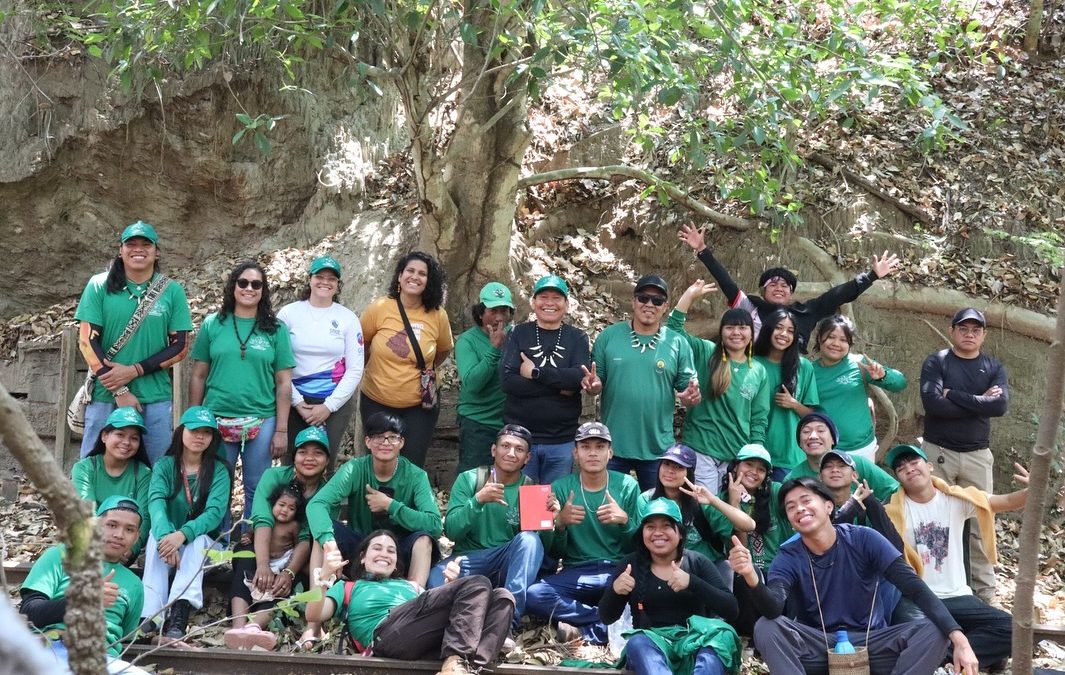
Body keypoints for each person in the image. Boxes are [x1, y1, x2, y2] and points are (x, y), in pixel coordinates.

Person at [730, 476, 980, 675]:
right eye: (791, 507)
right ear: (791, 522)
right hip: (818, 645)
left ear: (828, 506)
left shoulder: (863, 538)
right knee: (767, 627)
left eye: (806, 500)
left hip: (873, 643)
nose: (800, 509)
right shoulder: (788, 555)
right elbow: (774, 608)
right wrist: (751, 576)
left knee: (935, 630)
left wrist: (959, 639)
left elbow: (913, 586)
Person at [884, 444, 1027, 670]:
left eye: (914, 462)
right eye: (901, 468)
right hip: (918, 599)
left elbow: (1006, 502)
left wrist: (1032, 490)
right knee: (914, 633)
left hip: (957, 596)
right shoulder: (891, 513)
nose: (908, 468)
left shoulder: (955, 500)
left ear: (930, 466)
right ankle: (952, 659)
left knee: (1013, 630)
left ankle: (947, 662)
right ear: (898, 478)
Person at [306, 530, 514, 675]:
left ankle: (467, 668)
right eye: (377, 548)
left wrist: (453, 586)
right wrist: (323, 579)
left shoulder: (411, 586)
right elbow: (314, 615)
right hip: (386, 635)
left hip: (423, 641)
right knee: (477, 583)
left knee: (502, 597)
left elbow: (441, 618)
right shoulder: (349, 587)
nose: (384, 554)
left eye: (391, 551)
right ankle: (454, 665)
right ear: (362, 557)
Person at [75, 220, 192, 464]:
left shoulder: (172, 291)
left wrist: (134, 371)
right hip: (106, 395)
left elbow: (180, 346)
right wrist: (119, 388)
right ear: (121, 250)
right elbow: (87, 341)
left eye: (145, 244)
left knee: (158, 469)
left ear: (156, 251)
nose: (138, 249)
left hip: (155, 396)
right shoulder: (99, 285)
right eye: (131, 244)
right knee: (93, 465)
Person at [677, 223, 900, 351]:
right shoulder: (751, 307)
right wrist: (702, 250)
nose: (779, 287)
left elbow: (837, 295)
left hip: (793, 374)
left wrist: (871, 276)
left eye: (785, 285)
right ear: (762, 291)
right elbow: (726, 283)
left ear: (791, 293)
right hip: (755, 370)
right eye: (772, 284)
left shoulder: (804, 312)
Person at [188, 261, 294, 522]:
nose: (249, 288)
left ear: (263, 290)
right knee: (216, 486)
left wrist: (281, 430)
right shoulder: (213, 324)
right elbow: (199, 374)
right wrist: (194, 418)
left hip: (262, 417)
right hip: (217, 416)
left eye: (256, 284)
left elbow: (283, 382)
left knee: (257, 486)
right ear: (233, 287)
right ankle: (219, 546)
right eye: (243, 283)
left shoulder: (276, 329)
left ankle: (250, 544)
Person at [920, 307, 1008, 604]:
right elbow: (933, 405)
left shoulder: (993, 367)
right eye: (963, 328)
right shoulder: (937, 361)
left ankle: (985, 592)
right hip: (938, 452)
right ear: (952, 330)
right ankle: (935, 589)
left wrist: (954, 395)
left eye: (976, 330)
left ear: (984, 335)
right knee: (935, 521)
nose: (969, 334)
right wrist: (980, 401)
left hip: (977, 455)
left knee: (981, 521)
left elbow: (999, 407)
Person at [526, 421, 642, 644]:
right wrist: (560, 524)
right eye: (586, 447)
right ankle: (604, 621)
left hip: (617, 570)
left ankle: (587, 632)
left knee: (649, 595)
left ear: (610, 453)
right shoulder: (560, 487)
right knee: (535, 595)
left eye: (599, 447)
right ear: (575, 453)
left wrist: (625, 521)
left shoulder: (627, 485)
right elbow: (552, 552)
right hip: (577, 572)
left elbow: (639, 546)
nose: (592, 453)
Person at [599, 498, 741, 675]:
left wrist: (692, 583)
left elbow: (731, 609)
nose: (658, 533)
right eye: (650, 527)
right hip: (652, 648)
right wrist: (615, 591)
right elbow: (606, 617)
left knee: (720, 639)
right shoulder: (630, 565)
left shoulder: (697, 562)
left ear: (680, 533)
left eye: (666, 526)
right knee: (637, 641)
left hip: (694, 644)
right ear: (642, 533)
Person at [429, 424, 544, 636]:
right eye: (505, 446)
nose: (511, 453)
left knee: (529, 540)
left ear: (527, 458)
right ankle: (445, 626)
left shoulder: (531, 488)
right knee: (435, 577)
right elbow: (452, 531)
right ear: (493, 450)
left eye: (519, 449)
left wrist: (558, 523)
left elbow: (536, 549)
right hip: (468, 560)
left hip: (504, 563)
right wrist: (478, 500)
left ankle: (506, 622)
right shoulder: (470, 479)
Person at [306, 412, 442, 589]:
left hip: (397, 551)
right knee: (322, 534)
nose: (385, 443)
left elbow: (435, 524)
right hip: (360, 548)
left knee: (424, 540)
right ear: (368, 441)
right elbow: (316, 504)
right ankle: (316, 604)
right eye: (378, 437)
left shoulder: (416, 476)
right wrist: (329, 543)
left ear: (401, 442)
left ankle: (412, 601)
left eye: (392, 437)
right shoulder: (355, 469)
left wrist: (391, 506)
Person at [588, 274, 701, 490]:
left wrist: (690, 397)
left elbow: (688, 391)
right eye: (643, 298)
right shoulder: (609, 337)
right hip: (614, 446)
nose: (649, 304)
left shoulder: (677, 342)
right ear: (633, 301)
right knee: (610, 511)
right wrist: (593, 386)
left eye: (657, 301)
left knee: (657, 511)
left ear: (665, 306)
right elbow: (596, 383)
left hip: (657, 447)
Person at [20, 496, 149, 675]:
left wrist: (158, 637)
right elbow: (29, 613)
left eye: (129, 529)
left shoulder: (135, 585)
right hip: (57, 650)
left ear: (136, 537)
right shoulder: (59, 555)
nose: (119, 535)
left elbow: (127, 636)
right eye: (112, 525)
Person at [141, 406, 233, 646]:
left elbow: (214, 514)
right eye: (194, 430)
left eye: (206, 432)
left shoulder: (219, 470)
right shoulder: (164, 466)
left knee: (198, 541)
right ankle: (150, 615)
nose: (199, 436)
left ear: (213, 438)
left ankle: (178, 614)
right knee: (153, 535)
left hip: (209, 547)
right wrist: (166, 538)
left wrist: (182, 535)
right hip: (169, 544)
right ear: (181, 432)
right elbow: (156, 504)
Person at [666, 280, 770, 491]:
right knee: (707, 508)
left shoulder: (758, 370)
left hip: (736, 454)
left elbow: (759, 417)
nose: (736, 333)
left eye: (742, 328)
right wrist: (688, 296)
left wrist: (753, 454)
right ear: (721, 332)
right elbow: (674, 332)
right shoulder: (707, 353)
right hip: (702, 448)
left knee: (728, 511)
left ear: (752, 333)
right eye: (730, 328)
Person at [360, 251, 453, 468]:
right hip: (376, 400)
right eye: (410, 271)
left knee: (411, 465)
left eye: (422, 273)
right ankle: (372, 502)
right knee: (377, 463)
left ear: (429, 281)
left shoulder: (438, 315)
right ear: (400, 276)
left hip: (418, 407)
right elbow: (362, 344)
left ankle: (403, 503)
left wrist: (421, 369)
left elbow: (443, 350)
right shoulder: (380, 308)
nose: (415, 276)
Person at [501, 274, 593, 483]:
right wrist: (559, 387)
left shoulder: (577, 337)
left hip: (561, 439)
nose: (549, 303)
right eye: (543, 297)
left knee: (553, 505)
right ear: (533, 302)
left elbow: (577, 377)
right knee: (520, 503)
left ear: (567, 304)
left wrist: (536, 374)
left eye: (556, 298)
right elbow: (508, 382)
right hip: (520, 437)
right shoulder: (517, 334)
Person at [248, 425, 333, 649]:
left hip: (303, 556)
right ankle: (240, 626)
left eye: (318, 453)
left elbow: (311, 535)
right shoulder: (274, 476)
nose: (309, 458)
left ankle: (262, 625)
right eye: (303, 452)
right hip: (267, 547)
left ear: (327, 460)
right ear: (294, 456)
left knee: (293, 582)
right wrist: (263, 563)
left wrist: (289, 571)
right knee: (244, 559)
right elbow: (262, 518)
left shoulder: (328, 490)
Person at [277, 255, 364, 469]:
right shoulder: (289, 314)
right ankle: (290, 503)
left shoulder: (348, 318)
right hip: (293, 398)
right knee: (292, 460)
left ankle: (322, 503)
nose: (325, 282)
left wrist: (329, 406)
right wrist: (296, 402)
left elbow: (355, 369)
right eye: (320, 276)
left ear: (338, 285)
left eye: (331, 278)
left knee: (324, 460)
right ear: (309, 279)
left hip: (333, 402)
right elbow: (277, 362)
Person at [811, 314, 907, 462]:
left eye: (843, 340)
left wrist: (883, 375)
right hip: (825, 451)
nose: (836, 343)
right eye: (830, 337)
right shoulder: (809, 371)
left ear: (850, 343)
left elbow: (900, 383)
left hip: (862, 450)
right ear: (819, 338)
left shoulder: (859, 364)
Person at [641, 443, 755, 567]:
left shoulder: (701, 500)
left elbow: (748, 525)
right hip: (662, 565)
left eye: (678, 467)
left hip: (704, 566)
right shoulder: (646, 499)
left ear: (689, 473)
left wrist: (713, 500)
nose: (670, 471)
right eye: (666, 464)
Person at [224, 482, 305, 650]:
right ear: (272, 504)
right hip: (262, 563)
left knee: (276, 593)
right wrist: (247, 536)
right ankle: (238, 628)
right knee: (250, 582)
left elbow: (299, 545)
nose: (285, 510)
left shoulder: (294, 526)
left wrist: (288, 569)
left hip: (282, 563)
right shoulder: (265, 521)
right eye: (281, 505)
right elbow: (253, 533)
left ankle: (253, 627)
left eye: (291, 508)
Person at [722, 443, 791, 636]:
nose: (754, 472)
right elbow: (740, 548)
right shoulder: (721, 500)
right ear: (735, 467)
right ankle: (748, 638)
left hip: (779, 567)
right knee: (746, 576)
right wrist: (734, 503)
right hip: (744, 568)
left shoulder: (776, 492)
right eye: (748, 465)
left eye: (761, 469)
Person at [71, 406, 152, 561]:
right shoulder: (84, 468)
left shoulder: (143, 473)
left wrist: (131, 549)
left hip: (124, 549)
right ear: (104, 436)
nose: (126, 442)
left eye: (134, 438)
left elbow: (145, 517)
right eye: (120, 435)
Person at [454, 282, 516, 473]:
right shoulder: (467, 341)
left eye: (504, 310)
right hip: (477, 423)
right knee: (474, 480)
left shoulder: (516, 336)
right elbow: (472, 383)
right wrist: (494, 349)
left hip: (510, 423)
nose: (499, 317)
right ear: (481, 313)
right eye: (492, 310)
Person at [752, 308, 819, 478]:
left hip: (789, 456)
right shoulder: (752, 363)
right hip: (753, 452)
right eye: (779, 328)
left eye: (790, 331)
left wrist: (793, 404)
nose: (784, 334)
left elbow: (812, 415)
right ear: (768, 330)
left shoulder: (804, 367)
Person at [785, 412, 898, 502]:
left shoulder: (857, 463)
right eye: (806, 431)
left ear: (833, 439)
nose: (813, 436)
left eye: (820, 430)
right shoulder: (793, 478)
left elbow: (895, 491)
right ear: (799, 442)